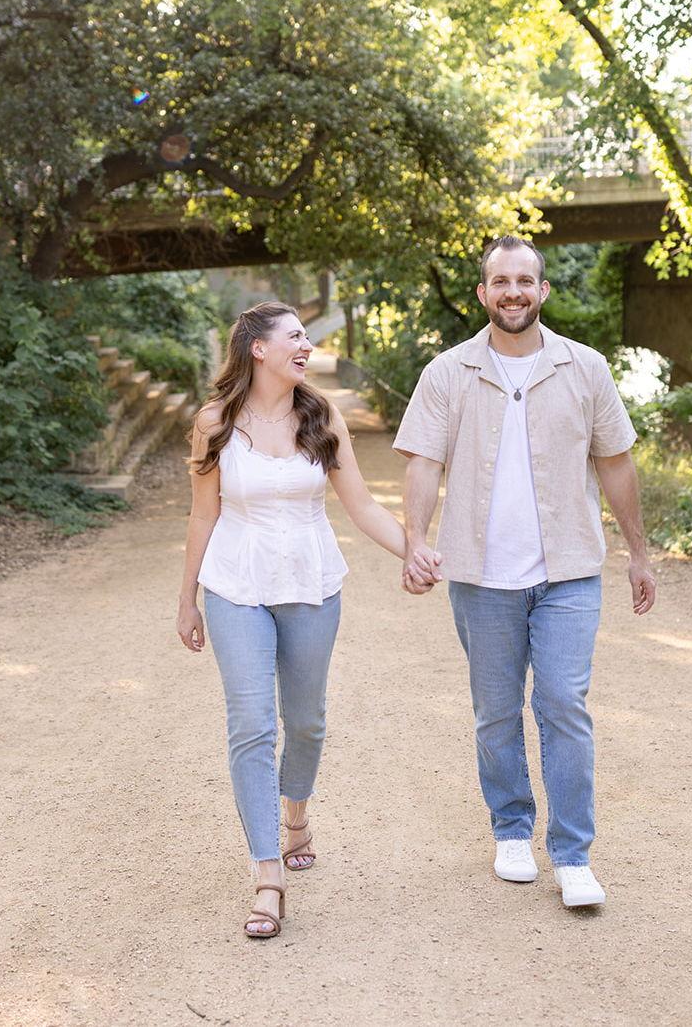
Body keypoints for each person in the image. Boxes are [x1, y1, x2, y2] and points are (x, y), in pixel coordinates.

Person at [395, 235, 657, 908]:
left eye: (524, 281)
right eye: (500, 281)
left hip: (569, 572)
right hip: (481, 578)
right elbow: (422, 461)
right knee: (495, 712)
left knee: (563, 704)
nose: (512, 292)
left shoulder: (585, 368)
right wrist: (414, 541)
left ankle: (572, 854)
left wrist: (638, 553)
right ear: (483, 293)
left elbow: (616, 462)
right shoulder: (447, 373)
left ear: (542, 290)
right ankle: (511, 829)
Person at [176, 301, 416, 939]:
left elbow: (361, 505)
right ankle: (267, 875)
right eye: (295, 336)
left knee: (305, 721)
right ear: (258, 348)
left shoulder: (321, 415)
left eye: (307, 336)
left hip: (311, 583)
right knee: (251, 725)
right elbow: (203, 513)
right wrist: (187, 598)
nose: (306, 345)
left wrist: (415, 550)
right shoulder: (215, 422)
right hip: (236, 585)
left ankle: (297, 816)